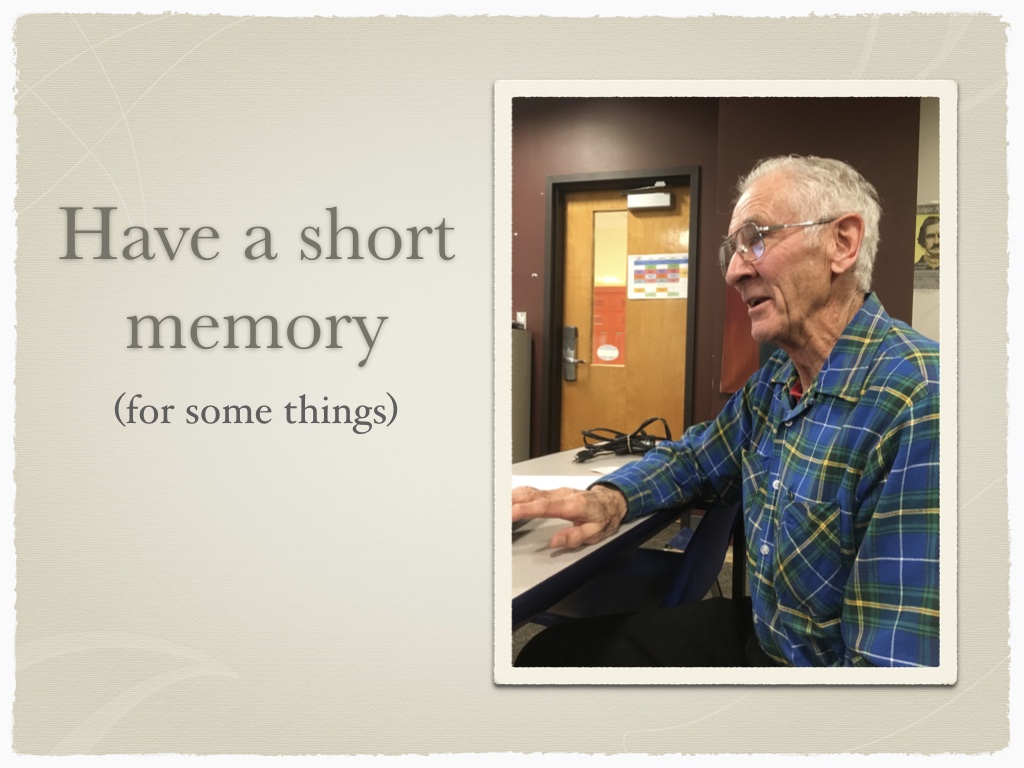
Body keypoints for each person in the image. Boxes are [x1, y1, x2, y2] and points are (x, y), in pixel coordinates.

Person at [512, 156, 940, 668]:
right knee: (552, 655)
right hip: (767, 633)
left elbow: (892, 675)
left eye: (757, 237)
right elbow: (696, 458)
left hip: (822, 679)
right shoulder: (777, 381)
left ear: (842, 243)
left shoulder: (918, 400)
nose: (736, 270)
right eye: (732, 251)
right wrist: (612, 497)